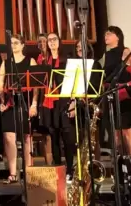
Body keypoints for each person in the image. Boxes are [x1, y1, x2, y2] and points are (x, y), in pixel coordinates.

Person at [0, 34, 39, 184]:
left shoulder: (31, 61)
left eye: (16, 43)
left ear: (23, 45)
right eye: (12, 43)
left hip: (25, 102)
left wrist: (34, 104)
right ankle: (13, 173)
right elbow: (0, 85)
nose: (13, 45)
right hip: (10, 102)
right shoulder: (6, 63)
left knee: (27, 137)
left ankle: (29, 172)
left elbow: (36, 86)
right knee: (9, 138)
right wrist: (2, 100)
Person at [40, 33, 76, 180]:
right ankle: (58, 169)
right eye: (49, 40)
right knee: (54, 137)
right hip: (50, 102)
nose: (52, 42)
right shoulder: (44, 61)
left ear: (59, 42)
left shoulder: (67, 59)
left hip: (64, 100)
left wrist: (73, 102)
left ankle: (70, 169)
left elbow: (74, 80)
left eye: (54, 39)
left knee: (67, 137)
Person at [99, 26, 131, 156]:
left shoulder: (125, 50)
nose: (106, 36)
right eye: (105, 34)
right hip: (111, 94)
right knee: (115, 133)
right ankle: (121, 165)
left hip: (124, 94)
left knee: (127, 131)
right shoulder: (107, 54)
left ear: (118, 36)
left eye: (109, 33)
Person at [34, 33, 53, 165]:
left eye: (43, 41)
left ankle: (53, 163)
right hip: (42, 98)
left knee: (52, 132)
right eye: (39, 42)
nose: (41, 44)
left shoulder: (53, 58)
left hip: (52, 97)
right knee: (44, 133)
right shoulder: (38, 59)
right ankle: (48, 165)